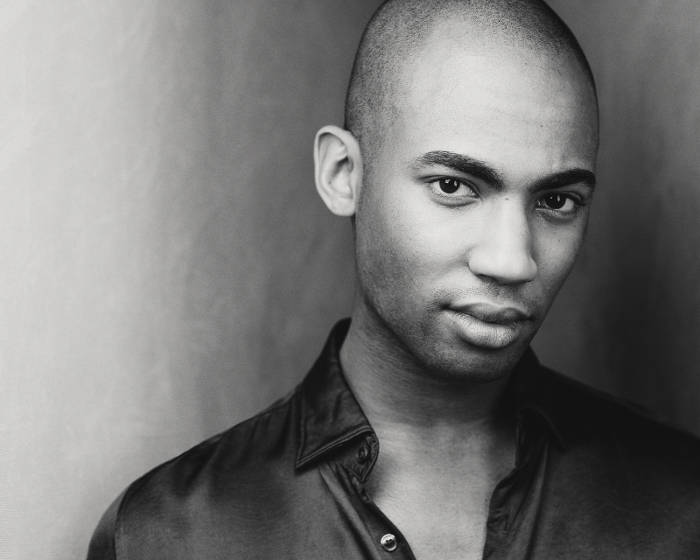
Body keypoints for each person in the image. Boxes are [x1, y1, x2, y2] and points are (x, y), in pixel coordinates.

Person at [87, 0, 700, 558]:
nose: (514, 261)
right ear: (343, 174)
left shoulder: (681, 508)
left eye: (557, 201)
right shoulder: (168, 534)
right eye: (454, 186)